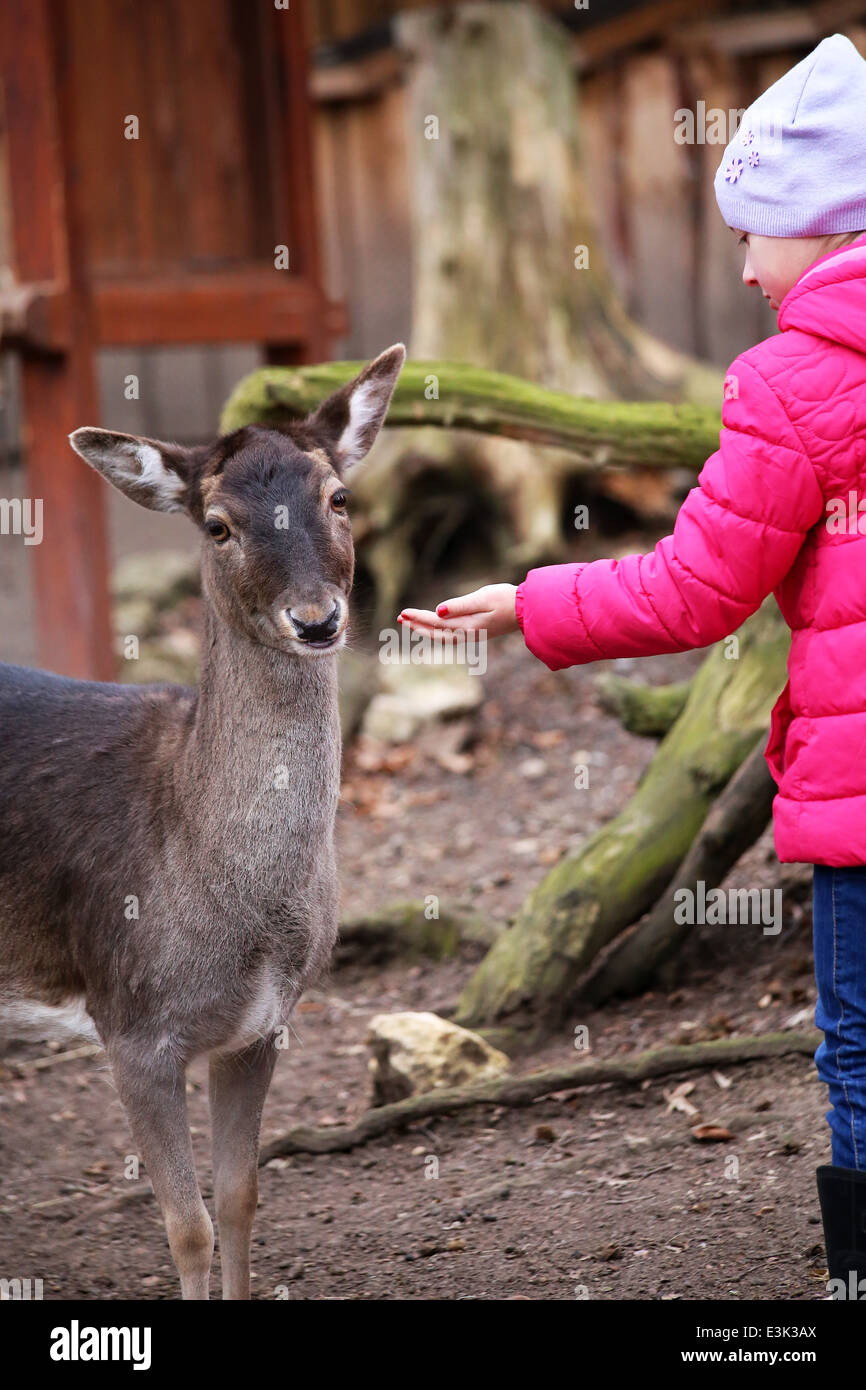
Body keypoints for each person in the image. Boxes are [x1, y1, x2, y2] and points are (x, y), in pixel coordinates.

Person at [398, 33, 866, 1297]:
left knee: (860, 1049)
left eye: (752, 232)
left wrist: (528, 603)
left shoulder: (795, 383)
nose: (742, 264)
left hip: (858, 800)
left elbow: (698, 588)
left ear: (817, 226)